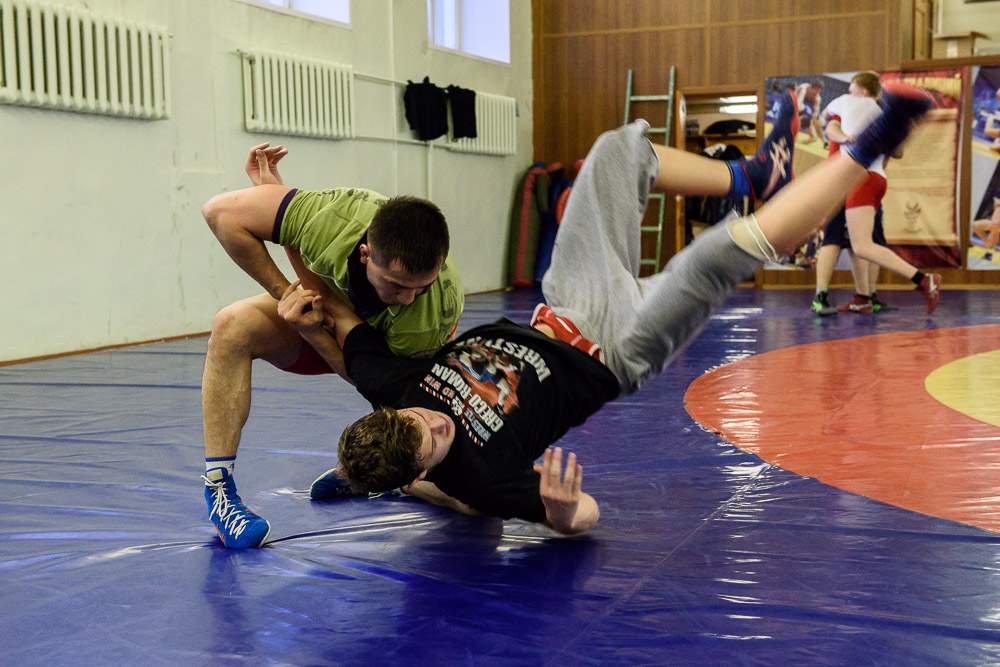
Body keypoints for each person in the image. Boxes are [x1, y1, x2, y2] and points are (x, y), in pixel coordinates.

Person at [268, 83, 929, 544]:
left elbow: (339, 319)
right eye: (435, 440)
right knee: (714, 257)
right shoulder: (487, 476)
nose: (438, 423)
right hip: (614, 349)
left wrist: (291, 269)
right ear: (426, 466)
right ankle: (867, 147)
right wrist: (559, 512)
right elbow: (584, 513)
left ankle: (745, 176)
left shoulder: (391, 388)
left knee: (616, 151)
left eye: (422, 419)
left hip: (565, 301)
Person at [198, 143, 464, 548]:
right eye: (395, 285)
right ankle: (218, 491)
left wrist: (314, 331)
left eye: (419, 287)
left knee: (462, 490)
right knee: (231, 325)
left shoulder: (428, 312)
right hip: (329, 314)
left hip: (388, 357)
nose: (407, 297)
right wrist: (287, 293)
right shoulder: (330, 218)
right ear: (365, 253)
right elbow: (219, 213)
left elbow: (369, 379)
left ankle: (392, 479)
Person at [818, 71, 940, 315]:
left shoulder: (843, 101)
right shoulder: (880, 111)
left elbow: (827, 121)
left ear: (861, 91)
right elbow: (897, 153)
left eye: (852, 89)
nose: (850, 93)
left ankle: (923, 280)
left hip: (858, 177)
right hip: (878, 179)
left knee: (861, 246)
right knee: (862, 243)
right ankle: (863, 297)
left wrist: (845, 135)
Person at [811, 204, 893, 315]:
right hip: (844, 192)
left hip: (866, 193)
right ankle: (820, 297)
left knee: (867, 240)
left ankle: (866, 297)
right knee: (833, 239)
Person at [795, 79, 825, 146]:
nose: (817, 93)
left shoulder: (817, 98)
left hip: (807, 114)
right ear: (811, 87)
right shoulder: (802, 88)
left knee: (816, 133)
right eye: (816, 91)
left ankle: (825, 142)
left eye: (819, 92)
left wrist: (811, 120)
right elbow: (796, 103)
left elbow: (816, 113)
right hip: (797, 108)